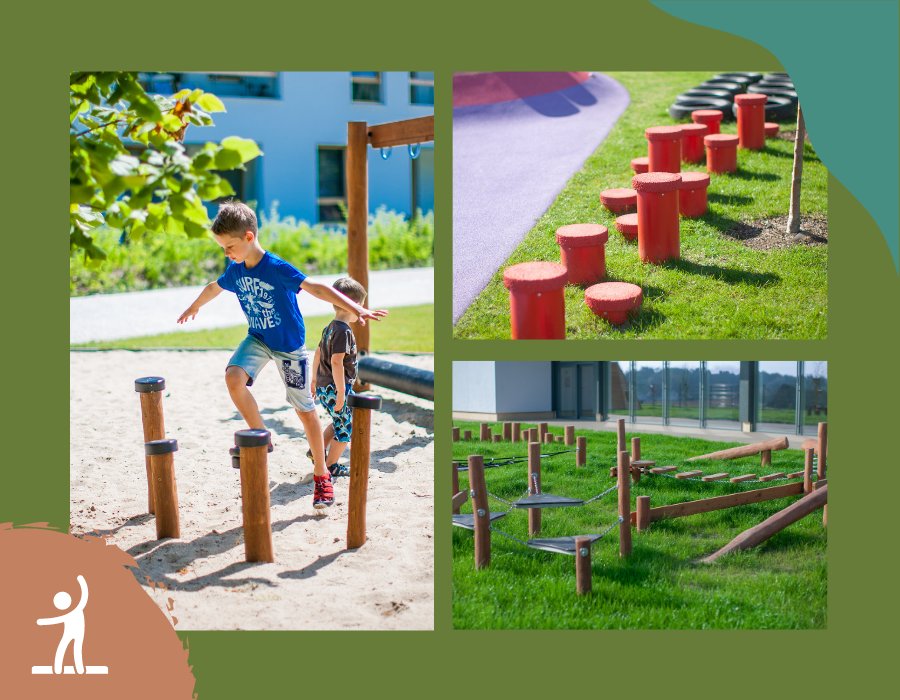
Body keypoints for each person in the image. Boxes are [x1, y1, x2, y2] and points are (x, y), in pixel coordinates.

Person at [177, 201, 387, 508]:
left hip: (289, 348)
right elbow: (214, 287)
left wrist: (355, 307)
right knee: (233, 377)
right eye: (222, 248)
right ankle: (260, 434)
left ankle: (321, 473)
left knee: (305, 411)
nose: (227, 254)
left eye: (230, 246)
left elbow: (315, 287)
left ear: (249, 237)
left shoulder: (275, 268)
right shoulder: (236, 271)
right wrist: (195, 305)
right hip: (258, 339)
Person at [309, 277, 366, 478]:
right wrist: (342, 392)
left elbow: (317, 354)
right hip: (336, 388)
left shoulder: (330, 328)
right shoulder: (343, 331)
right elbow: (336, 362)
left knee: (337, 422)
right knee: (344, 431)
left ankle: (316, 450)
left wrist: (314, 381)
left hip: (324, 386)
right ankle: (331, 465)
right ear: (354, 305)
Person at [36, 575, 89, 674]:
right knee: (68, 648)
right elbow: (84, 597)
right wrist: (81, 581)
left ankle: (76, 669)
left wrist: (82, 582)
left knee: (73, 649)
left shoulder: (77, 609)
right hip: (70, 633)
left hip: (77, 634)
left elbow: (84, 596)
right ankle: (67, 669)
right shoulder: (75, 611)